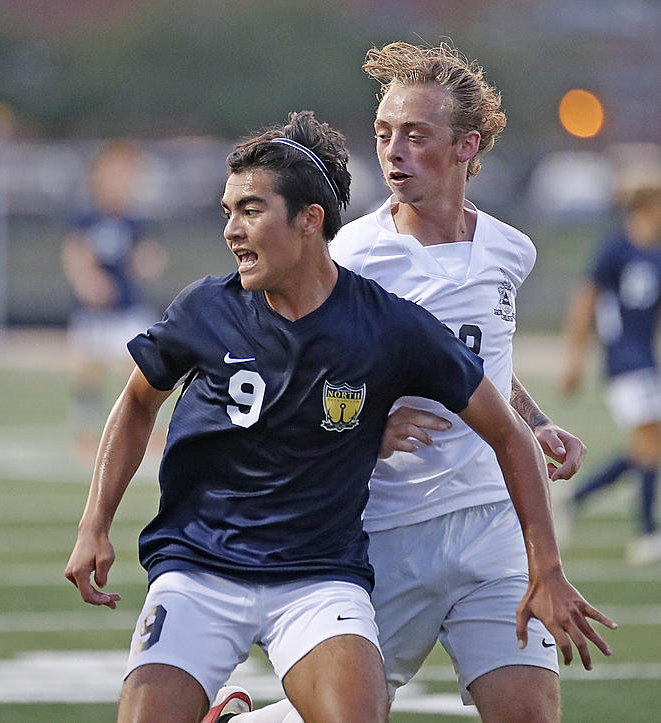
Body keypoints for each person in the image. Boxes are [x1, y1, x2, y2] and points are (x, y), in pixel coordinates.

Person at [65, 109, 606, 723]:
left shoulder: (388, 323)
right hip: (200, 568)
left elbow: (501, 418)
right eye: (227, 212)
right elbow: (137, 400)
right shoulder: (207, 310)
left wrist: (546, 558)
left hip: (318, 577)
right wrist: (94, 525)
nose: (232, 231)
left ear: (308, 220)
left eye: (250, 211)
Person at [214, 42, 615, 723]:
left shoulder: (509, 250)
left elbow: (484, 359)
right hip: (383, 530)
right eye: (383, 134)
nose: (393, 151)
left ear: (468, 145)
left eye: (415, 135)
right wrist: (366, 424)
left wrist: (535, 419)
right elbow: (277, 382)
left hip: (493, 526)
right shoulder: (347, 258)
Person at [560, 166, 661, 565]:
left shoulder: (656, 253)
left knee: (647, 446)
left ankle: (575, 498)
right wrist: (574, 358)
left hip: (646, 358)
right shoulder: (615, 250)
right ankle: (647, 532)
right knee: (651, 442)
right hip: (622, 358)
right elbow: (585, 302)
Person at [60, 139, 166, 456]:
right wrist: (87, 280)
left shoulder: (134, 221)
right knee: (87, 372)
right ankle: (86, 430)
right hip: (95, 313)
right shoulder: (87, 218)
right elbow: (75, 253)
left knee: (142, 372)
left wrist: (147, 262)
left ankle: (147, 428)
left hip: (127, 309)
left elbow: (145, 255)